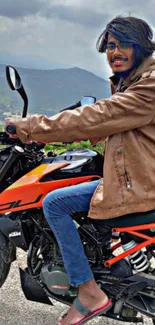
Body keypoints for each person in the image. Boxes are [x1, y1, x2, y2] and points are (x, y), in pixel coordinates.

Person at [5, 15, 155, 325]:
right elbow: (119, 124)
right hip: (140, 178)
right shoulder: (137, 81)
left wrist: (31, 126)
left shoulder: (149, 84)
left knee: (55, 203)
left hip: (142, 185)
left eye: (123, 44)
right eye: (110, 46)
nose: (114, 51)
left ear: (141, 46)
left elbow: (100, 115)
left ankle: (89, 292)